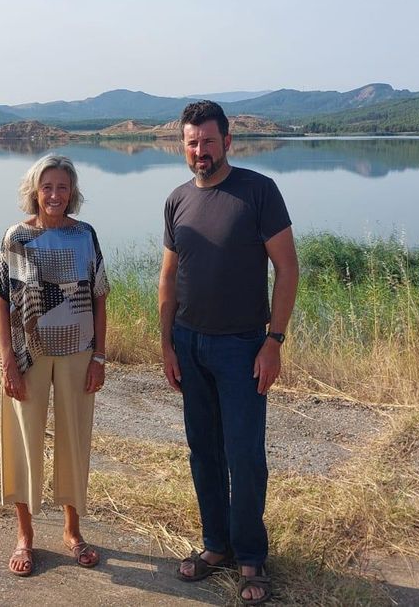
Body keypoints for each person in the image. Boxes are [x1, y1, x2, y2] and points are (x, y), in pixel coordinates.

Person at [160, 101, 299, 605]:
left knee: (245, 455)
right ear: (184, 145)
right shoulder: (177, 200)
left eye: (209, 141)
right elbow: (169, 277)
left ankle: (251, 557)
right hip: (189, 344)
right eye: (192, 142)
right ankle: (215, 546)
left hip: (243, 348)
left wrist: (273, 341)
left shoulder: (258, 191)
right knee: (204, 453)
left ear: (228, 141)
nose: (200, 150)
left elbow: (287, 269)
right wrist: (166, 344)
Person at [0, 154, 110, 577]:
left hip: (79, 349)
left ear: (72, 192)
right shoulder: (17, 237)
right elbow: (1, 300)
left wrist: (99, 355)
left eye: (62, 187)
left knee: (75, 440)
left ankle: (72, 532)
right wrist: (7, 359)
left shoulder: (85, 235)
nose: (55, 195)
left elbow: (99, 295)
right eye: (47, 187)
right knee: (24, 440)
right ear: (35, 191)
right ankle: (25, 536)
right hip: (29, 353)